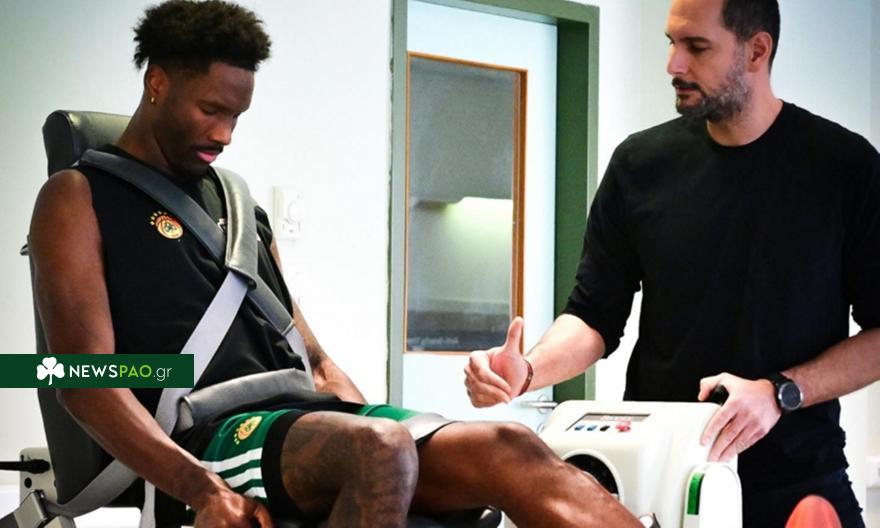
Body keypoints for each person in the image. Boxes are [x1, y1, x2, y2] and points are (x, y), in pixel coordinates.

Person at [28, 1, 645, 527]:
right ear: (157, 83)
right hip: (200, 430)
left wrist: (374, 429)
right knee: (380, 449)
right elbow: (79, 378)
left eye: (237, 116)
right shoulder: (78, 197)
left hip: (298, 421)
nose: (226, 134)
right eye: (210, 110)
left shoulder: (237, 205)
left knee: (509, 445)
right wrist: (201, 489)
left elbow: (316, 361)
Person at [465, 0, 880, 527]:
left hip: (799, 486)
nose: (673, 65)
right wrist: (528, 371)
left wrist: (780, 392)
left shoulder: (844, 168)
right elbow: (593, 316)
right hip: (660, 483)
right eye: (672, 42)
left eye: (697, 47)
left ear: (757, 51)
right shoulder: (639, 165)